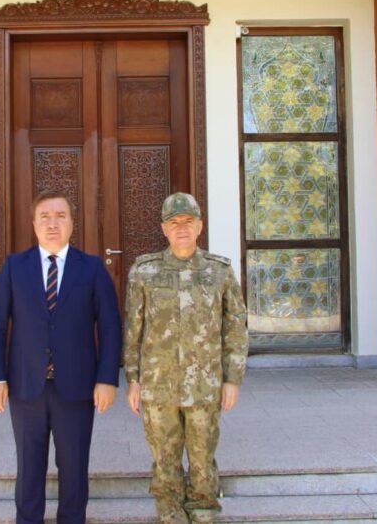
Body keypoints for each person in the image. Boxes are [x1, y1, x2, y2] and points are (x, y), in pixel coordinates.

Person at [0, 190, 122, 524]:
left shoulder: (91, 269)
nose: (52, 224)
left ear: (72, 224)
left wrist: (107, 379)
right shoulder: (15, 267)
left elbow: (110, 327)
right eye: (44, 217)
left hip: (76, 388)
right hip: (26, 386)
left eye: (61, 216)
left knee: (74, 467)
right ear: (34, 224)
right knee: (28, 467)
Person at [123, 192, 249, 523]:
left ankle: (203, 511)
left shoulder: (219, 272)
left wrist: (232, 379)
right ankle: (170, 513)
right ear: (164, 229)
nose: (181, 228)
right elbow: (133, 330)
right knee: (165, 459)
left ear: (200, 226)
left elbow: (235, 327)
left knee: (202, 458)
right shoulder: (144, 272)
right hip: (158, 386)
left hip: (204, 386)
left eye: (188, 222)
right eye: (174, 222)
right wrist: (133, 379)